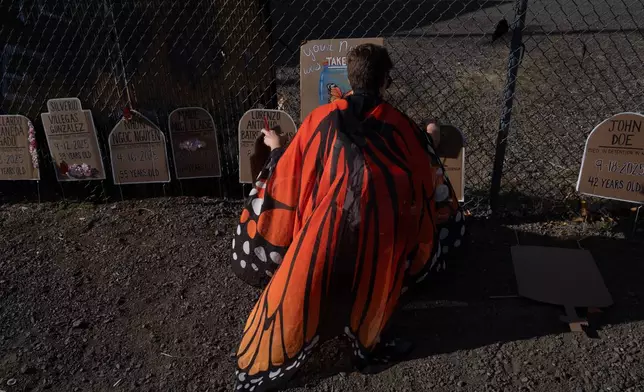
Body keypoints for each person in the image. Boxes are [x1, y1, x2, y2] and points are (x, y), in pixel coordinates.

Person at [230, 43, 465, 392]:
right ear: (385, 80)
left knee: (302, 273)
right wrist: (430, 136)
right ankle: (369, 333)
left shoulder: (319, 120)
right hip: (381, 243)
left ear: (349, 78)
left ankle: (297, 330)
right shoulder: (402, 127)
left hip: (323, 234)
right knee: (418, 230)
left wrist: (277, 148)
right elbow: (429, 180)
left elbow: (289, 175)